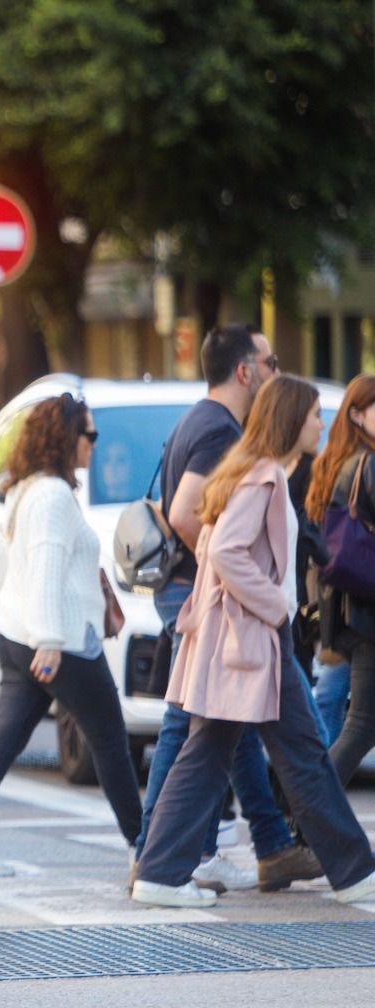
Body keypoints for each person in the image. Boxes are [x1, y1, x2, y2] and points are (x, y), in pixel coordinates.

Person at [135, 376, 375, 908]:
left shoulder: (257, 471)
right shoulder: (263, 476)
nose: (321, 424)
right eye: (315, 415)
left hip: (246, 642)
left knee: (272, 754)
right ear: (292, 419)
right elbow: (226, 552)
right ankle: (356, 872)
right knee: (270, 754)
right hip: (250, 642)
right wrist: (275, 605)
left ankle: (160, 871)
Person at [136, 325, 315, 894]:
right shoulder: (218, 429)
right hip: (203, 594)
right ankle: (161, 854)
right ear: (246, 371)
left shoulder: (199, 419)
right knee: (193, 725)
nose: (275, 371)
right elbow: (187, 512)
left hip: (197, 590)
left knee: (214, 723)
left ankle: (259, 844)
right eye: (270, 361)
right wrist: (220, 571)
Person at [0, 396, 144, 860]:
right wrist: (52, 643)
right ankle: (146, 849)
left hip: (17, 631)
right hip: (57, 640)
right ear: (64, 438)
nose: (94, 445)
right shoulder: (52, 495)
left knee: (3, 740)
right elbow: (46, 568)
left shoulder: (31, 486)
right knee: (111, 742)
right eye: (89, 435)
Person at [306, 372, 375, 781]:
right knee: (362, 724)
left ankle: (310, 818)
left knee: (361, 722)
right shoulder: (367, 465)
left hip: (351, 612)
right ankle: (311, 817)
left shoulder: (339, 463)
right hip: (367, 613)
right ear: (356, 415)